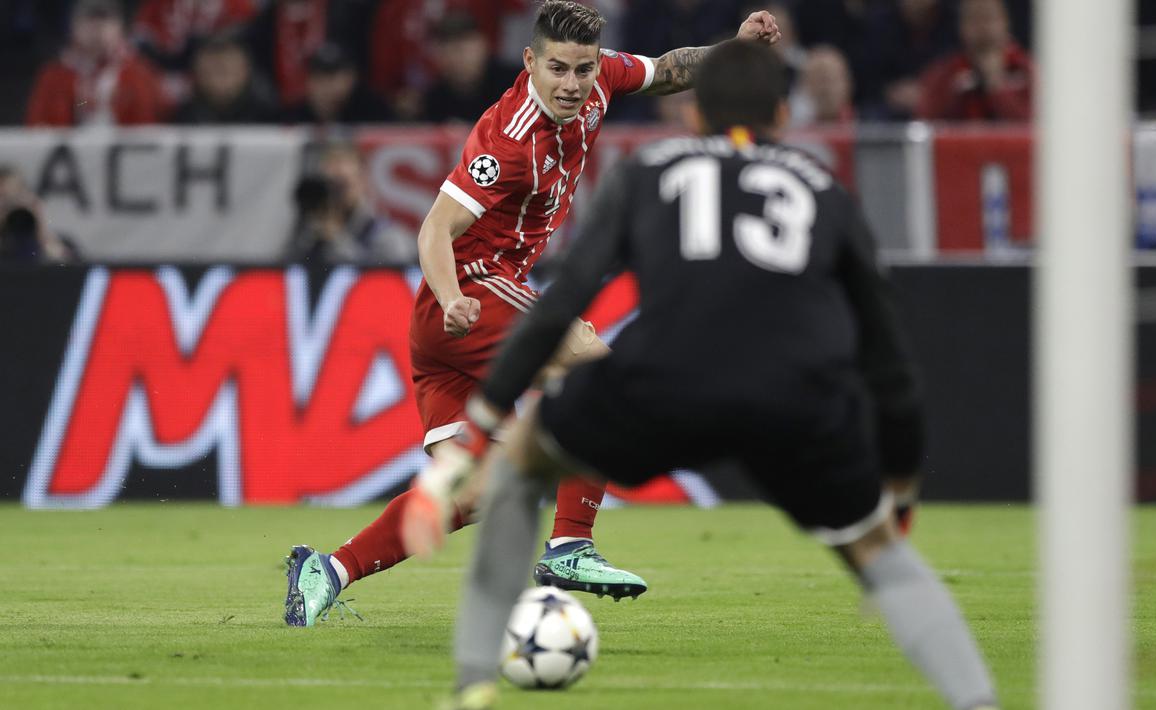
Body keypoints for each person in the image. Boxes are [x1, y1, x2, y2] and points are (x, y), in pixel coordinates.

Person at [401, 39, 1001, 710]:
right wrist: (899, 491)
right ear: (780, 114)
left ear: (691, 119)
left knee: (520, 461)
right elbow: (888, 361)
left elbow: (561, 305)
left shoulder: (649, 170)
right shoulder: (824, 192)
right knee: (880, 553)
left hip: (664, 384)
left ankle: (472, 682)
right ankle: (976, 701)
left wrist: (483, 424)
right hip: (793, 399)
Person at [282, 0, 784, 627]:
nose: (572, 84)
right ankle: (571, 542)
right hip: (467, 295)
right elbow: (435, 228)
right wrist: (452, 295)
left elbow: (668, 69)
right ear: (530, 62)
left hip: (448, 330)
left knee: (475, 494)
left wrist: (736, 48)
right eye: (557, 70)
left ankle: (328, 571)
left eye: (583, 68)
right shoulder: (509, 140)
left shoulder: (600, 79)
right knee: (596, 367)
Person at [26, 0, 166, 127]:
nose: (97, 29)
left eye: (105, 21)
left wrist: (110, 101)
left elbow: (148, 128)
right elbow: (37, 124)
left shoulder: (139, 73)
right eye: (89, 21)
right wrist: (82, 101)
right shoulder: (54, 75)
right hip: (70, 151)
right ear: (74, 27)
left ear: (120, 28)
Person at [286, 143, 417, 264]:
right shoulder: (310, 233)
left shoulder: (386, 236)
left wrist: (335, 239)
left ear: (362, 180)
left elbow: (388, 281)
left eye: (342, 185)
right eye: (329, 186)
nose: (335, 195)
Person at [915, 0, 1031, 122]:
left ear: (1005, 23)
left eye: (988, 18)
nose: (982, 27)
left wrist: (997, 86)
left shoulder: (1025, 70)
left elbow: (1036, 124)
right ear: (961, 26)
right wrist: (957, 92)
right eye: (974, 18)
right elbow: (926, 120)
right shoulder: (945, 74)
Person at [420, 12, 522, 124]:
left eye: (463, 49)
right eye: (450, 50)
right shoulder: (434, 99)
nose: (458, 58)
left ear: (483, 46)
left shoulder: (518, 83)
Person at [171, 32, 279, 124]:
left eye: (225, 71)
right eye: (211, 71)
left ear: (244, 71)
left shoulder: (270, 117)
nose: (219, 80)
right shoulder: (181, 120)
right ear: (197, 74)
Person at [281, 43, 393, 125]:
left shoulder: (374, 111)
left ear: (352, 78)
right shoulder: (292, 117)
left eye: (335, 77)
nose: (329, 86)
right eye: (320, 78)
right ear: (309, 81)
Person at [788, 45, 856, 126]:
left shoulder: (865, 125)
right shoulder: (791, 124)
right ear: (804, 84)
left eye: (832, 79)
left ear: (847, 84)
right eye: (819, 80)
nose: (825, 88)